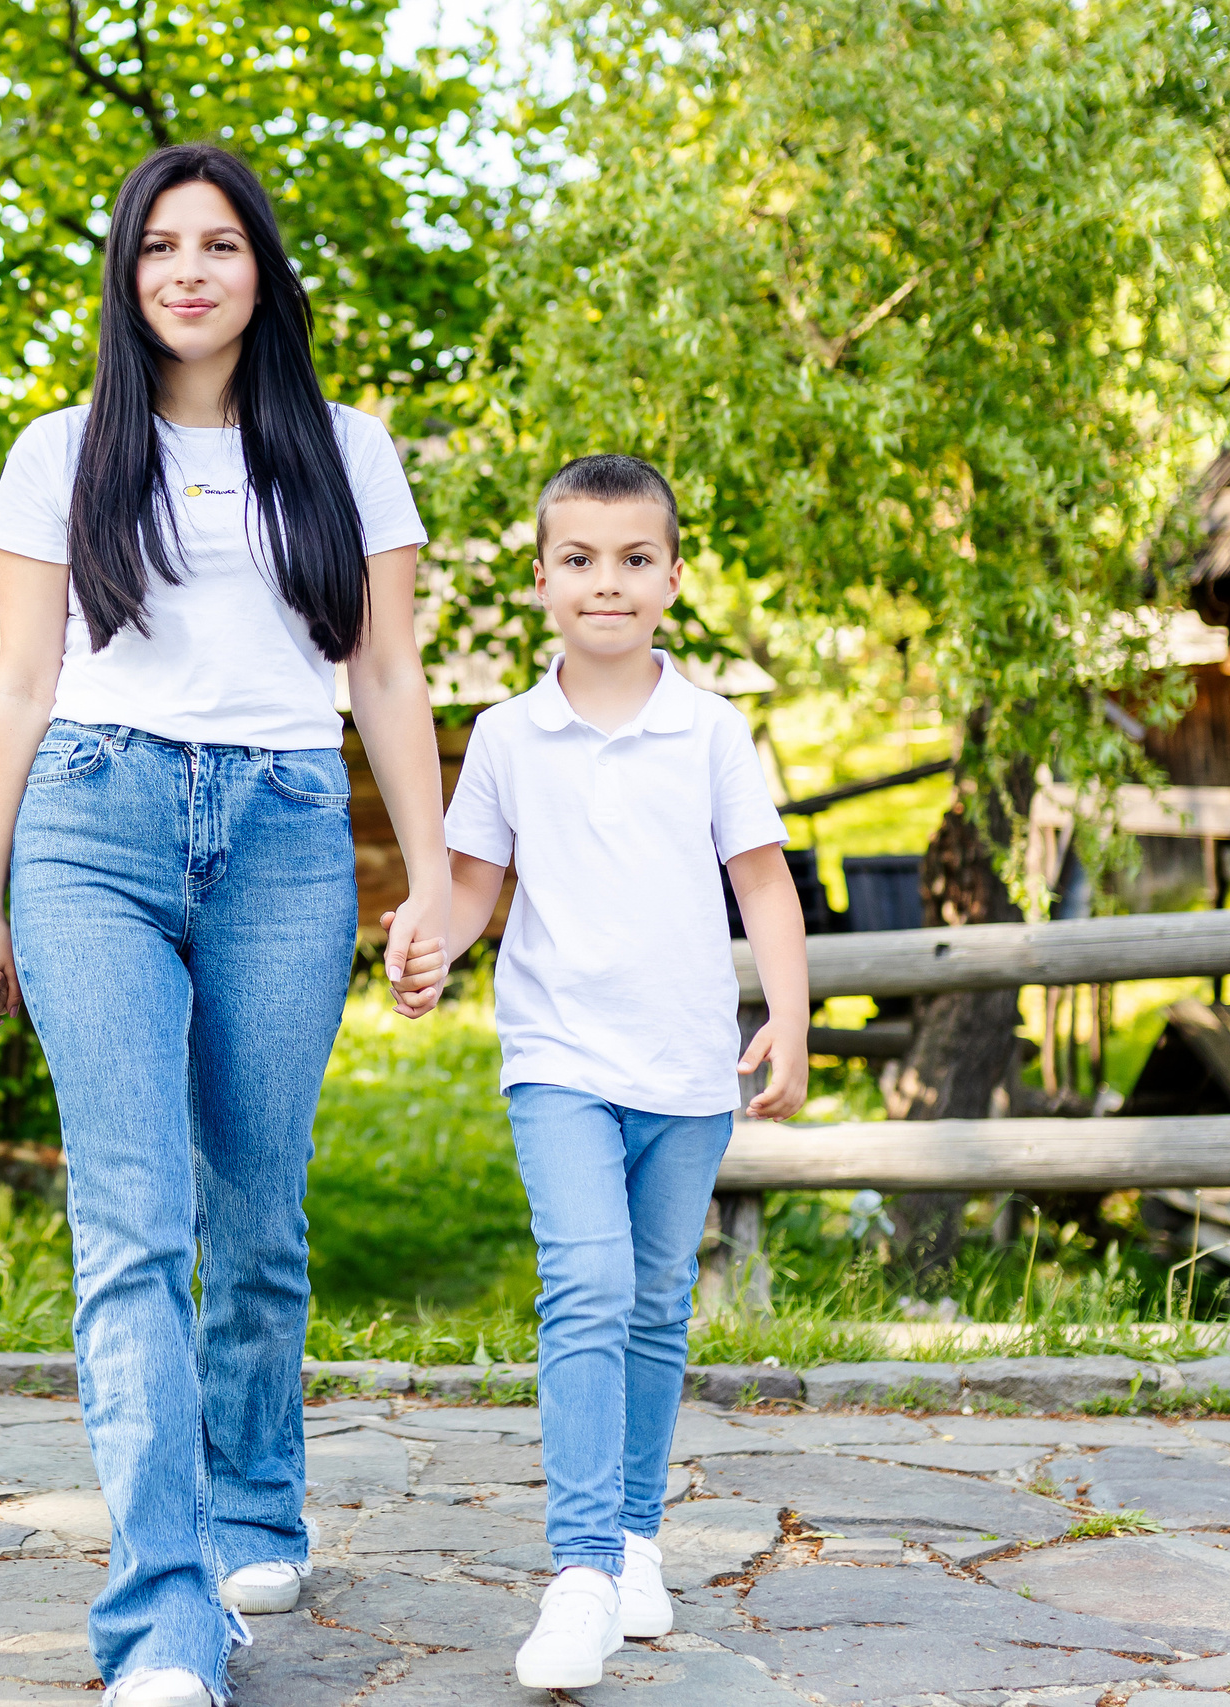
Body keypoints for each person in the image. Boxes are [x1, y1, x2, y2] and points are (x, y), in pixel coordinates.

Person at [0, 144, 452, 1707]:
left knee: (258, 1201)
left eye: (219, 244)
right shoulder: (61, 450)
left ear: (261, 270)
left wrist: (431, 878)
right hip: (91, 825)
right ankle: (164, 1614)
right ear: (127, 269)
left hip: (289, 835)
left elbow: (385, 680)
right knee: (132, 1216)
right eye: (160, 245)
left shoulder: (347, 449)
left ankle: (254, 1496)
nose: (188, 270)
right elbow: (19, 687)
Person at [435, 453, 809, 1691]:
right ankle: (581, 1570)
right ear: (540, 579)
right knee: (586, 1287)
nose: (608, 583)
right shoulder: (503, 735)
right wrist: (428, 934)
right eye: (581, 560)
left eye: (634, 559)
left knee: (653, 1303)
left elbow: (761, 879)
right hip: (557, 1059)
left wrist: (790, 1023)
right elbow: (476, 883)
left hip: (688, 1066)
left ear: (671, 578)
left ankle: (637, 1539)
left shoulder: (707, 728)